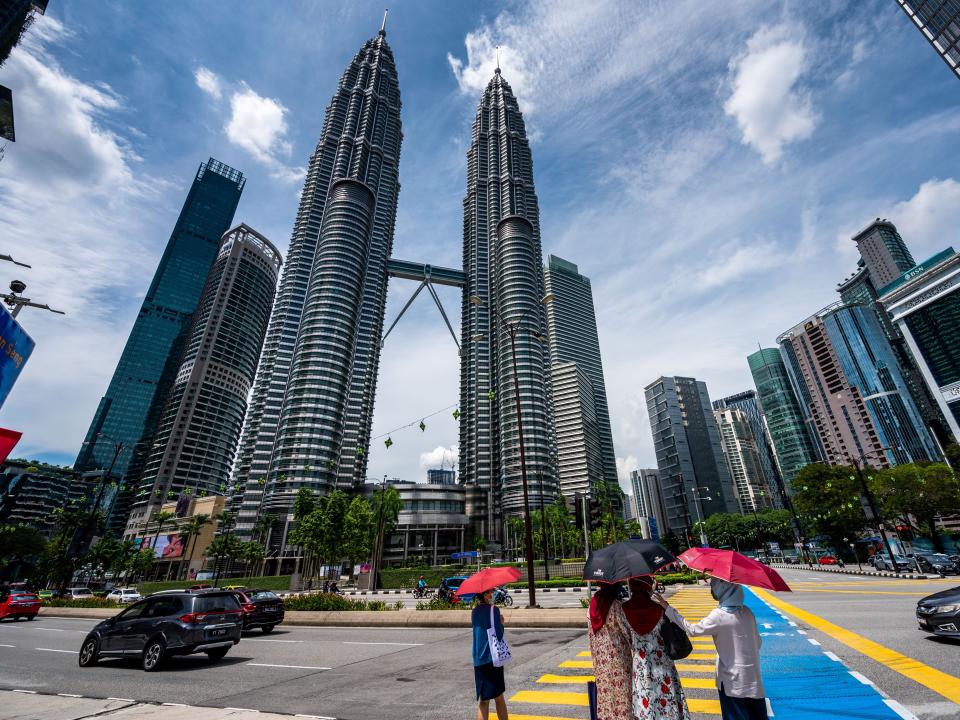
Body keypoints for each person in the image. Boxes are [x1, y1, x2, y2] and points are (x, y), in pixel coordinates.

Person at [656, 578, 767, 720]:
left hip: (732, 683)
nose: (712, 588)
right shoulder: (747, 612)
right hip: (754, 681)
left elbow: (693, 629)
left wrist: (667, 608)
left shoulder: (719, 616)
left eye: (714, 585)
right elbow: (758, 643)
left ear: (724, 588)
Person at [625, 577, 691, 720]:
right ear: (648, 587)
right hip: (662, 662)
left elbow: (628, 638)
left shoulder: (624, 609)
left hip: (641, 664)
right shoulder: (659, 608)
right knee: (666, 698)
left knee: (645, 696)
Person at [587, 583, 633, 719]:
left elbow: (590, 634)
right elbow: (628, 632)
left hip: (601, 663)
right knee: (622, 698)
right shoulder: (616, 606)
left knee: (606, 699)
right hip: (619, 660)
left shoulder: (592, 605)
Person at [471, 588, 508, 720]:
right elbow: (498, 635)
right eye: (489, 592)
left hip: (478, 659)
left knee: (484, 701)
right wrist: (502, 624)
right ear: (485, 595)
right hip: (492, 658)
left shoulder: (474, 612)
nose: (492, 594)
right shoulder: (494, 610)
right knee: (499, 698)